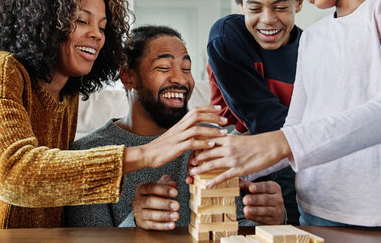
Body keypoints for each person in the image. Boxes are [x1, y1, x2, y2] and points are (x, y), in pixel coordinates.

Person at [0, 0, 226, 230]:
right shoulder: (0, 68)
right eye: (82, 21)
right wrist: (148, 153)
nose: (96, 35)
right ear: (43, 21)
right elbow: (12, 175)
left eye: (102, 27)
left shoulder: (67, 93)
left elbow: (57, 195)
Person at [191, 0, 381, 227]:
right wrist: (241, 164)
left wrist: (280, 142)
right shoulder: (313, 38)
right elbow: (295, 129)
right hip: (314, 211)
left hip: (372, 213)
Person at [65, 25, 286, 230]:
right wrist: (136, 223)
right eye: (163, 67)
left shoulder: (211, 140)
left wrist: (272, 220)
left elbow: (235, 226)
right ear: (128, 77)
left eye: (186, 68)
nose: (181, 79)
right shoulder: (87, 154)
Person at [206, 0, 303, 224]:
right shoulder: (227, 36)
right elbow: (263, 118)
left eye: (281, 6)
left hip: (295, 151)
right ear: (239, 5)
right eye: (255, 8)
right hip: (247, 150)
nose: (268, 20)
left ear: (299, 1)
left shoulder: (312, 49)